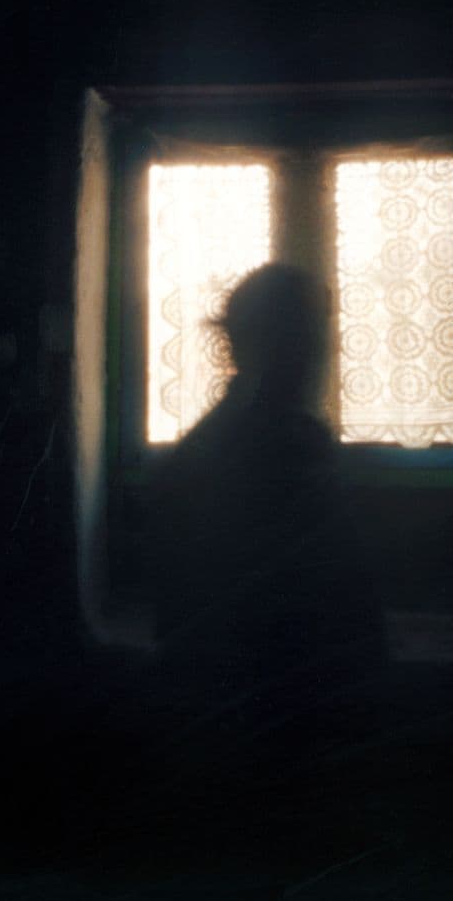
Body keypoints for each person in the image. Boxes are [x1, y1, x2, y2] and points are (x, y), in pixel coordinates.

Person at [150, 263, 387, 774]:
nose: (326, 352)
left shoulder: (221, 443)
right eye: (311, 335)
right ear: (278, 344)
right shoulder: (277, 451)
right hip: (267, 729)